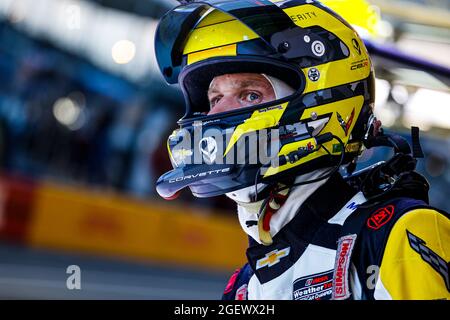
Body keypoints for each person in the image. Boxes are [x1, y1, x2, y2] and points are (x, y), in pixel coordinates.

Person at [153, 0, 450, 300]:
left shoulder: (397, 234)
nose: (216, 115)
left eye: (249, 94)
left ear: (319, 101)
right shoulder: (244, 286)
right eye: (215, 99)